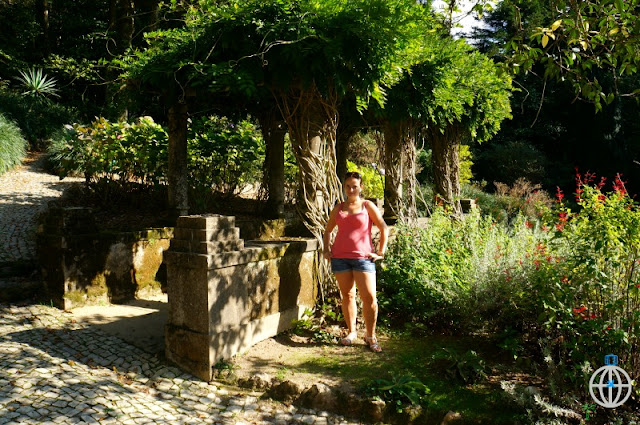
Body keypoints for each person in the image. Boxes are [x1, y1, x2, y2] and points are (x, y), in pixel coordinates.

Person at [322, 171, 389, 352]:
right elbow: (328, 230)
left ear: (361, 187)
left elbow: (383, 228)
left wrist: (380, 252)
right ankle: (352, 332)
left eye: (355, 186)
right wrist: (326, 250)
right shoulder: (339, 208)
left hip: (363, 258)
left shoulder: (367, 206)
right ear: (344, 187)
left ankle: (370, 336)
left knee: (369, 298)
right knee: (348, 296)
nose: (351, 189)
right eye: (348, 186)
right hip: (340, 258)